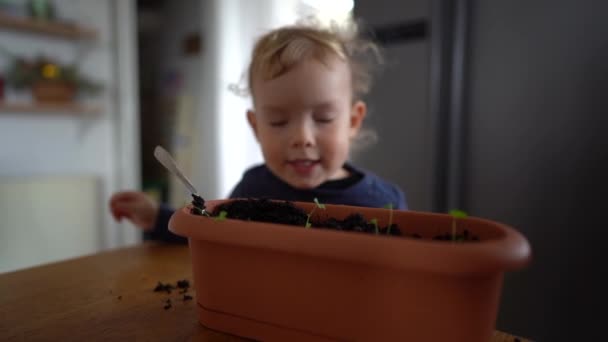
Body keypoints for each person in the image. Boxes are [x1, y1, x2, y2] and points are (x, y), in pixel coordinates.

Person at [110, 21, 407, 243]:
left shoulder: (382, 203)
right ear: (256, 128)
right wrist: (157, 217)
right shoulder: (252, 189)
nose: (302, 137)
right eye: (278, 122)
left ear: (352, 122)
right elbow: (213, 235)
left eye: (323, 118)